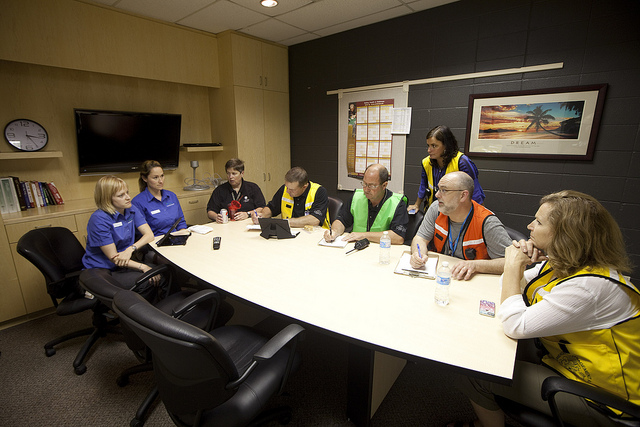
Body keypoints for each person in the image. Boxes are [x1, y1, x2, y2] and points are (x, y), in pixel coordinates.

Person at [452, 190, 640, 427]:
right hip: (565, 362)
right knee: (489, 349)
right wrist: (518, 265)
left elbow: (514, 323)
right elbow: (508, 287)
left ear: (565, 235)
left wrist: (512, 265)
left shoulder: (589, 287)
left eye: (539, 222)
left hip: (605, 399)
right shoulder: (563, 264)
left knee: (476, 371)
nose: (529, 226)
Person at [410, 171, 510, 280]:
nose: (437, 194)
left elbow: (512, 262)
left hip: (474, 282)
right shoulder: (436, 208)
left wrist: (475, 265)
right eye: (438, 189)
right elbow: (420, 238)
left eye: (444, 190)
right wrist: (417, 254)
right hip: (443, 275)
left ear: (463, 195)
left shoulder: (487, 223)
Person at [82, 175, 164, 301]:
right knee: (148, 281)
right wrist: (143, 267)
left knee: (165, 272)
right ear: (107, 199)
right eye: (121, 195)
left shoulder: (130, 208)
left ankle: (170, 314)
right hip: (103, 271)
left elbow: (149, 235)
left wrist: (131, 249)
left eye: (127, 192)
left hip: (123, 265)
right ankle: (139, 318)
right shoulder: (99, 219)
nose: (128, 197)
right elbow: (115, 258)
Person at [407, 125, 485, 213]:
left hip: (456, 212)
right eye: (428, 145)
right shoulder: (426, 162)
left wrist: (479, 216)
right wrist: (417, 204)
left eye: (434, 146)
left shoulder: (462, 162)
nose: (429, 150)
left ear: (446, 146)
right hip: (434, 211)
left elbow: (475, 192)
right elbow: (423, 185)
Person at [324, 164, 408, 244]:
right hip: (356, 247)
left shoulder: (397, 203)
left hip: (381, 249)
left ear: (384, 185)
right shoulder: (356, 197)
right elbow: (342, 220)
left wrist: (364, 235)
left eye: (371, 186)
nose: (366, 189)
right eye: (364, 184)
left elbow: (398, 237)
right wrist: (334, 232)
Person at [258, 166, 330, 228]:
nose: (287, 191)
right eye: (287, 187)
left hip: (314, 234)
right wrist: (262, 215)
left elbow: (315, 220)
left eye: (292, 190)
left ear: (304, 187)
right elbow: (271, 208)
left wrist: (287, 222)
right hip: (289, 233)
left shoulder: (319, 192)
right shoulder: (284, 189)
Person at [131, 160, 188, 236]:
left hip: (176, 238)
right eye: (155, 178)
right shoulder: (137, 202)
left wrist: (182, 234)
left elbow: (181, 222)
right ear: (145, 178)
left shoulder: (171, 196)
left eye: (162, 176)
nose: (161, 181)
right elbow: (141, 233)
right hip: (155, 242)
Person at [207, 158, 266, 223]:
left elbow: (261, 208)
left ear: (242, 173)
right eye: (228, 173)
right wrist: (216, 217)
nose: (230, 177)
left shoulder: (253, 188)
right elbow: (210, 211)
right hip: (227, 225)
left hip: (248, 223)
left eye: (234, 173)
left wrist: (247, 214)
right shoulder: (219, 190)